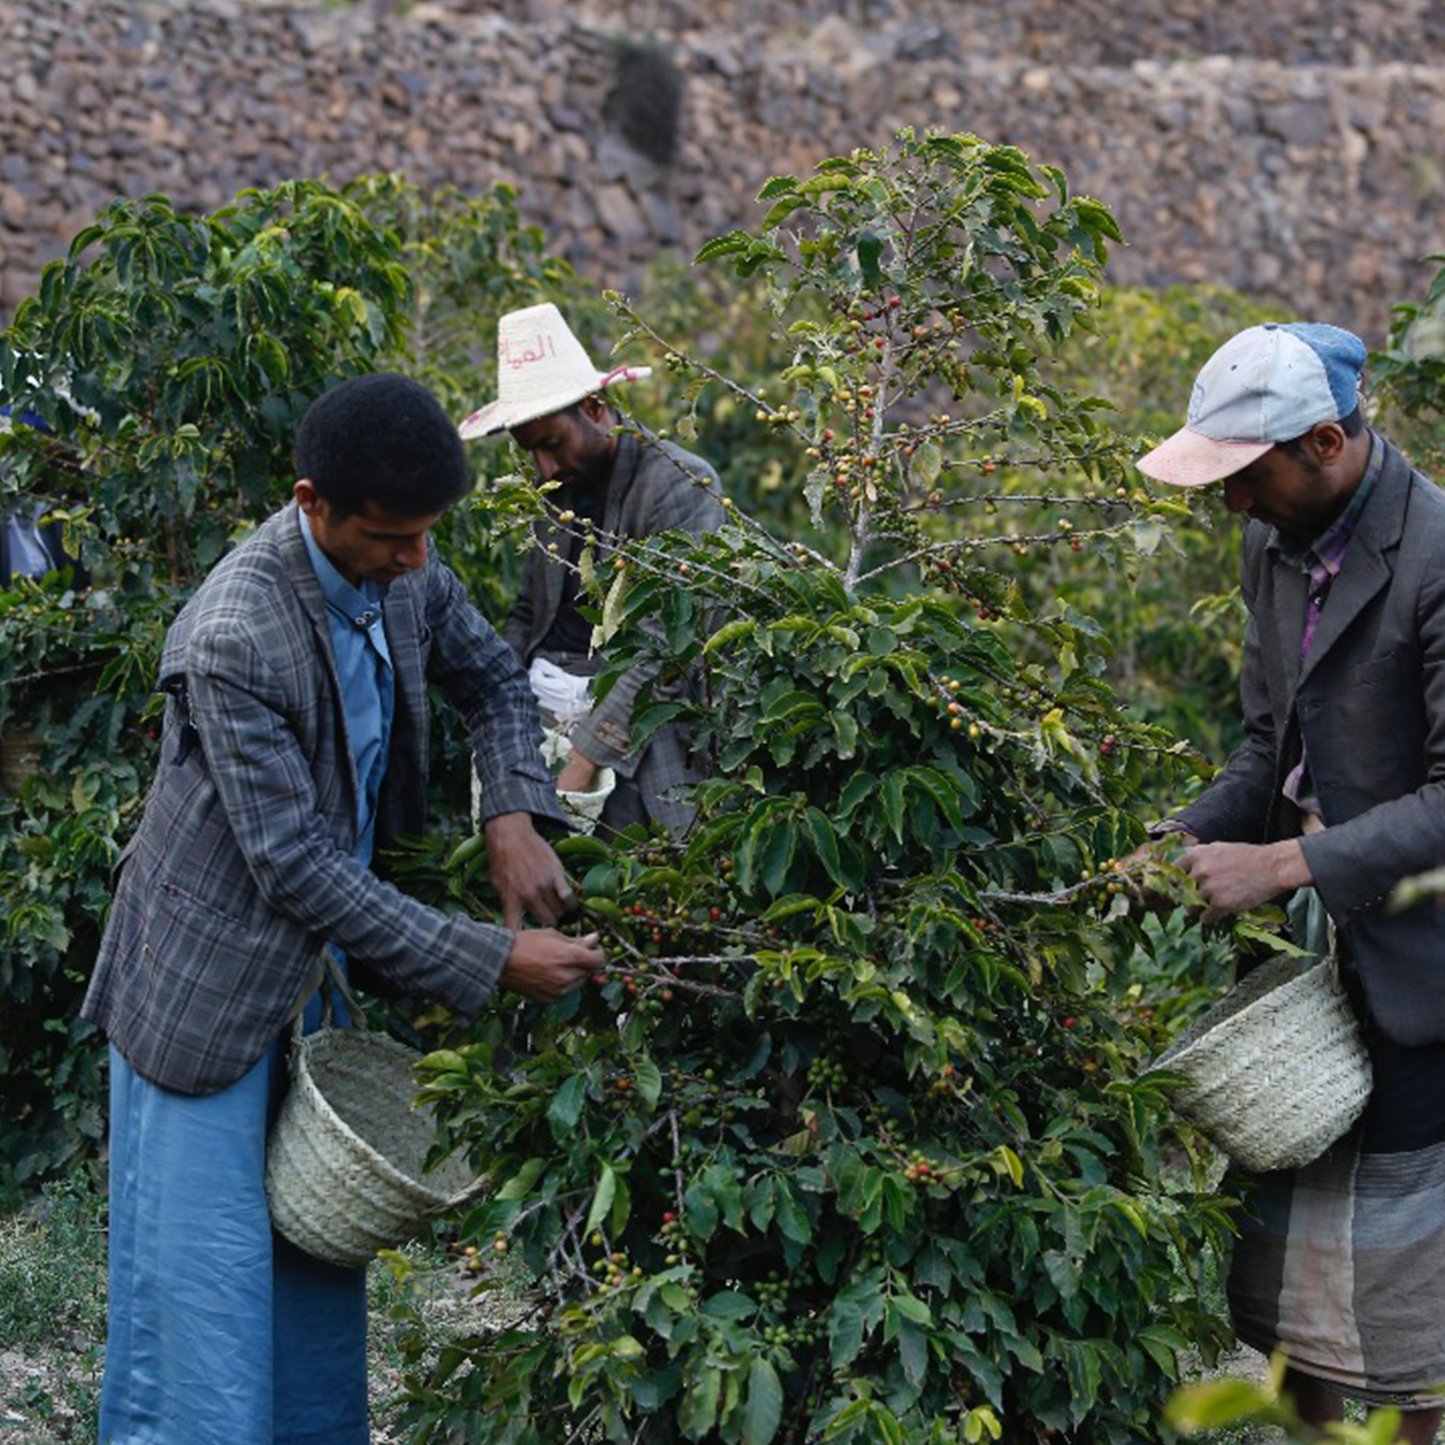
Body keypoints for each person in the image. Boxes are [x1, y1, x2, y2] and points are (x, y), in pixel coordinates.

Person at [83, 372, 606, 1445]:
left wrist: (512, 807)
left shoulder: (402, 566)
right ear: (311, 500)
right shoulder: (231, 632)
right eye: (389, 536)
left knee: (312, 1267)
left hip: (312, 980)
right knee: (201, 1296)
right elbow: (299, 869)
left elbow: (494, 683)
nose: (415, 559)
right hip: (204, 983)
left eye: (426, 536)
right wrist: (489, 960)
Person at [1135, 322, 1445, 1443]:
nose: (1228, 506)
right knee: (1289, 1288)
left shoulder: (1435, 556)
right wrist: (1176, 839)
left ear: (1322, 442)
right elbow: (1269, 745)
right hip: (1313, 960)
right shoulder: (1272, 547)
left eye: (1243, 477)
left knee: (1407, 1312)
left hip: (1419, 960)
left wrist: (1277, 862)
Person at [459, 302, 726, 836]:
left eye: (552, 445)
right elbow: (530, 612)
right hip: (548, 711)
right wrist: (500, 717)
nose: (544, 468)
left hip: (635, 730)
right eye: (531, 452)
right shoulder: (554, 491)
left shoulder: (676, 484)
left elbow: (666, 646)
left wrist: (580, 765)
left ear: (597, 407)